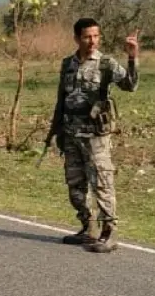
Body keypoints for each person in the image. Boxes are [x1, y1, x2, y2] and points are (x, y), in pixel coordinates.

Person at [51, 17, 139, 253]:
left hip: (96, 137)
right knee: (75, 185)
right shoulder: (68, 64)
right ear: (77, 38)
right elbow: (61, 99)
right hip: (71, 136)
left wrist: (132, 57)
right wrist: (56, 129)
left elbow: (130, 85)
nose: (92, 41)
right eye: (87, 36)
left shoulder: (106, 64)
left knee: (102, 183)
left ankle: (109, 233)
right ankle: (88, 227)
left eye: (96, 36)